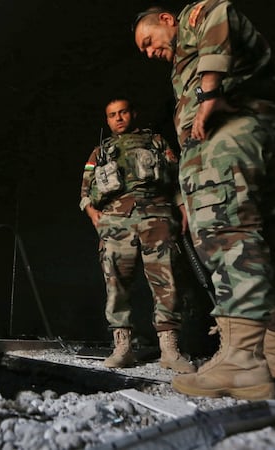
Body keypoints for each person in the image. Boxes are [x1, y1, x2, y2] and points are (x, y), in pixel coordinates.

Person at [133, 1, 275, 400]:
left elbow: (219, 12)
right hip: (260, 137)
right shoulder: (183, 60)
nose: (148, 51)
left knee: (227, 232)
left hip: (230, 138)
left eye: (148, 41)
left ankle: (242, 362)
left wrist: (208, 91)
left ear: (166, 21)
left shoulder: (194, 19)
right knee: (271, 238)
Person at [79, 96, 195, 374]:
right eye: (112, 115)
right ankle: (122, 347)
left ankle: (170, 349)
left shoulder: (156, 142)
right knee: (116, 285)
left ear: (133, 113)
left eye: (122, 112)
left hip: (157, 216)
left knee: (165, 280)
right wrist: (95, 216)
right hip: (117, 221)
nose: (118, 118)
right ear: (107, 120)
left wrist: (183, 210)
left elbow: (176, 179)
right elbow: (85, 192)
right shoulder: (101, 152)